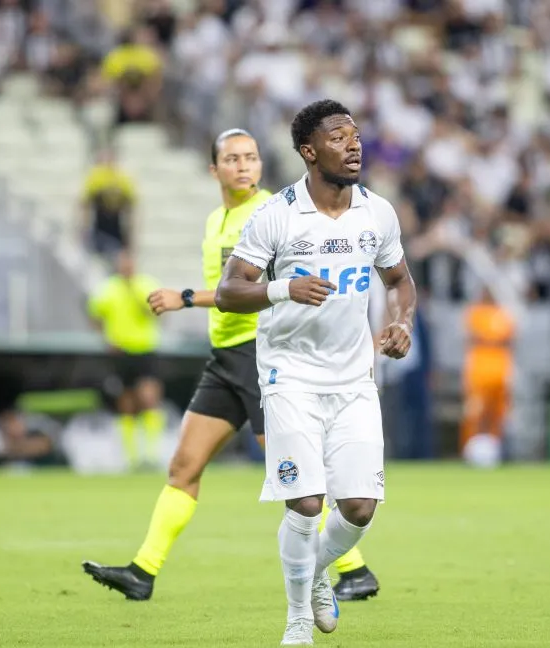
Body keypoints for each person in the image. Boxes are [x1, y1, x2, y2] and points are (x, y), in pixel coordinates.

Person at [82, 128, 381, 603]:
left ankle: (354, 570)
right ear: (214, 169)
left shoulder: (272, 212)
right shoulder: (216, 219)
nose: (244, 166)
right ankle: (143, 571)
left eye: (252, 158)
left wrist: (185, 297)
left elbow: (249, 288)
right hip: (225, 359)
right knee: (184, 466)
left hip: (262, 354)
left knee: (294, 473)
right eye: (233, 158)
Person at [214, 100, 416, 646]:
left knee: (358, 509)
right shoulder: (276, 215)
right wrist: (283, 288)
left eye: (356, 135)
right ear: (309, 151)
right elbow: (229, 292)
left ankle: (318, 571)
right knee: (305, 502)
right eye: (338, 137)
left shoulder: (378, 213)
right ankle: (298, 617)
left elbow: (398, 281)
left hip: (353, 380)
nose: (353, 144)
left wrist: (402, 323)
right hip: (290, 376)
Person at [87, 251, 164, 469]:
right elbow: (95, 314)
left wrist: (135, 294)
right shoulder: (107, 289)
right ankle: (131, 458)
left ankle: (151, 454)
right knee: (126, 402)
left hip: (145, 349)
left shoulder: (146, 285)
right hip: (120, 353)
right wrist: (105, 338)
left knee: (149, 398)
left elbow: (156, 313)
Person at [460, 286, 515, 454]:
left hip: (500, 371)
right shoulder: (475, 313)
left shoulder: (503, 314)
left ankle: (494, 450)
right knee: (475, 414)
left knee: (497, 414)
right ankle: (469, 450)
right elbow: (472, 338)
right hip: (479, 372)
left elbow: (510, 339)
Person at [80, 148, 137, 261]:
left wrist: (131, 237)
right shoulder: (96, 177)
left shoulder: (123, 179)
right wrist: (84, 230)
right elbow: (85, 204)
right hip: (99, 225)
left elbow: (131, 207)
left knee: (116, 256)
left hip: (116, 225)